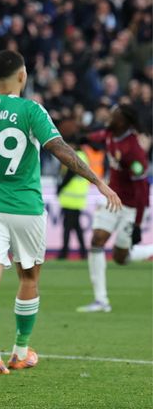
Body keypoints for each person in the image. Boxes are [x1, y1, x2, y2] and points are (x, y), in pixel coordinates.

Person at [0, 50, 121, 376]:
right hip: (25, 208)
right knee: (29, 278)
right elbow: (60, 148)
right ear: (22, 77)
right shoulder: (31, 109)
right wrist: (98, 181)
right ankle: (21, 350)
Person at [78, 105, 152, 312]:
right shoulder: (110, 134)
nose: (110, 117)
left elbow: (142, 190)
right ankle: (101, 300)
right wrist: (83, 136)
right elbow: (98, 136)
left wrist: (137, 224)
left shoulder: (133, 150)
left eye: (115, 116)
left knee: (121, 258)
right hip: (114, 200)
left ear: (125, 122)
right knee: (96, 240)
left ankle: (149, 249)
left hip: (133, 206)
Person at [57, 136, 91, 260]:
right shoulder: (83, 156)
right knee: (76, 227)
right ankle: (83, 253)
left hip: (71, 198)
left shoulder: (75, 156)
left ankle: (64, 253)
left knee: (67, 227)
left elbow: (69, 176)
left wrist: (59, 188)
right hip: (76, 198)